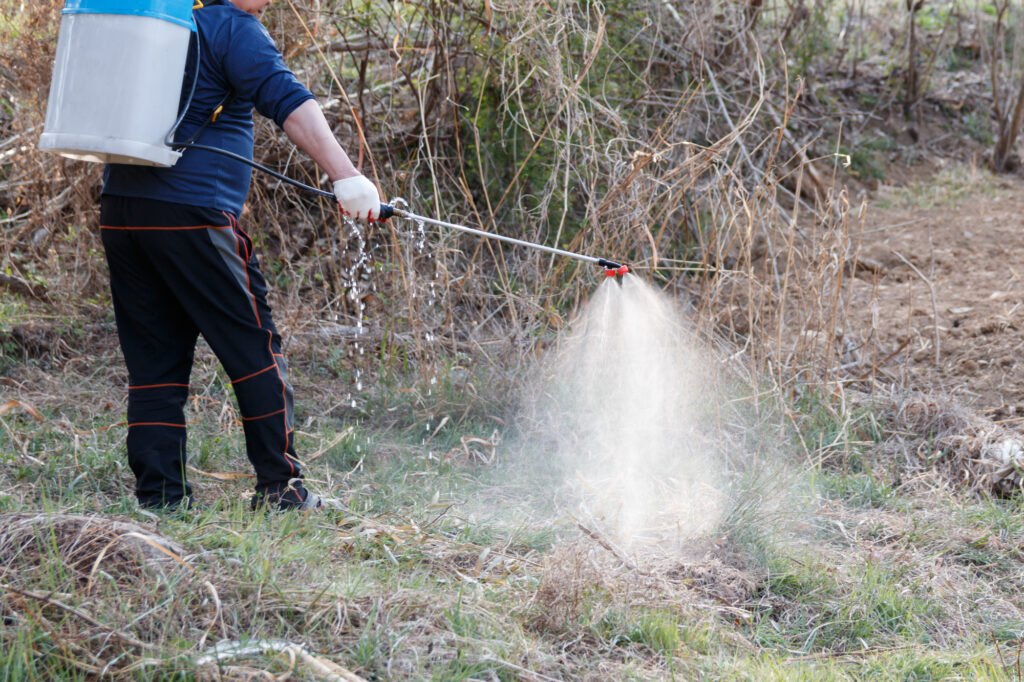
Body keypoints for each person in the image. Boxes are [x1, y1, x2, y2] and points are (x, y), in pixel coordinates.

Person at [99, 0, 378, 510]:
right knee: (253, 349)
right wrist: (346, 175)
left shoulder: (159, 18)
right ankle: (281, 488)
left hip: (122, 211)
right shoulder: (230, 26)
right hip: (192, 215)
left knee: (154, 364)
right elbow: (290, 104)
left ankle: (160, 500)